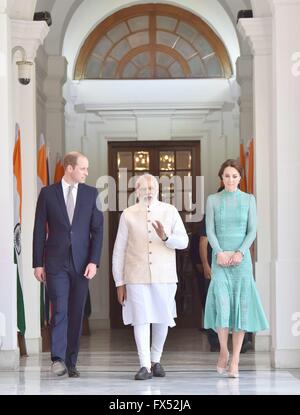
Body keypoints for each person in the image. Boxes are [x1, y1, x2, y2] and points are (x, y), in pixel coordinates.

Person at [33, 151, 103, 378]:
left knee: (76, 312)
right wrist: (37, 263)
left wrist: (94, 261)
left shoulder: (92, 194)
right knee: (60, 309)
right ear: (70, 168)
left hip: (83, 264)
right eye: (83, 168)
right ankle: (58, 359)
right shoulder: (47, 194)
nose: (86, 172)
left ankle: (72, 362)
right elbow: (38, 229)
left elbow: (97, 230)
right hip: (55, 263)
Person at [112, 173, 188, 380]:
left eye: (152, 188)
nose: (148, 192)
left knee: (163, 318)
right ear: (137, 191)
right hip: (135, 275)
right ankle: (144, 365)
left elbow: (184, 242)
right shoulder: (127, 214)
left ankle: (156, 360)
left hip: (165, 275)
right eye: (143, 189)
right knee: (141, 319)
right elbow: (119, 250)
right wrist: (119, 282)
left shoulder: (169, 211)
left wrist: (166, 237)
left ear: (158, 190)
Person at [204, 159, 269, 378]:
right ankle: (223, 352)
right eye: (227, 176)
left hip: (242, 262)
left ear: (240, 178)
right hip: (220, 259)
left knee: (240, 310)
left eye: (234, 176)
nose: (230, 179)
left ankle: (236, 361)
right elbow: (210, 230)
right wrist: (219, 252)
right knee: (223, 307)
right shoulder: (213, 200)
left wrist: (241, 252)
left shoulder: (249, 200)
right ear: (221, 178)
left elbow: (252, 230)